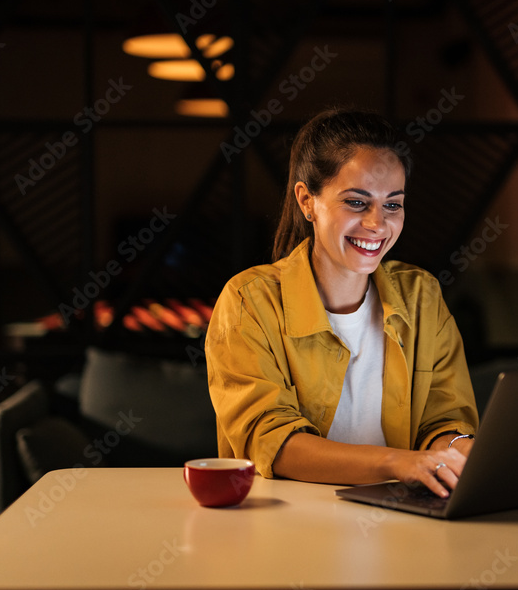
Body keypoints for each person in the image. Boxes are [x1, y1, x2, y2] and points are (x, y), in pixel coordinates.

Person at [205, 107, 478, 499]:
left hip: (402, 525)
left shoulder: (422, 296)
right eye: (356, 202)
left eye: (393, 204)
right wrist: (393, 462)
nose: (377, 224)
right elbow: (271, 442)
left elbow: (444, 421)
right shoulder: (250, 301)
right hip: (283, 527)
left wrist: (461, 450)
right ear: (307, 201)